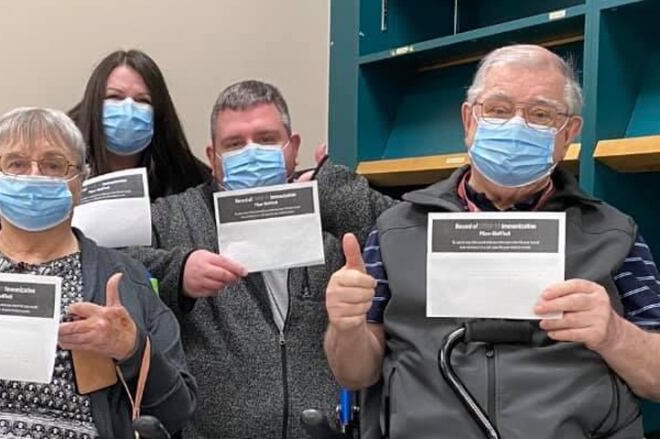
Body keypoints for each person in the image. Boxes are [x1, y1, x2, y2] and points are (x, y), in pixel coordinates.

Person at [324, 44, 660, 438]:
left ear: (568, 133)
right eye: (499, 110)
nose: (516, 126)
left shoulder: (614, 234)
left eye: (540, 115)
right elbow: (355, 372)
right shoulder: (396, 229)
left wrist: (614, 334)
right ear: (470, 121)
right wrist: (346, 326)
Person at [0, 107, 197, 438]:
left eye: (53, 165)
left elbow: (176, 411)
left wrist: (130, 349)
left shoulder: (121, 278)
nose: (34, 176)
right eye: (16, 164)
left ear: (80, 180)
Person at [129, 80, 342, 438]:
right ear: (213, 158)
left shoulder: (329, 218)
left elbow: (398, 236)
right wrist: (177, 271)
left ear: (293, 148)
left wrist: (339, 188)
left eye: (267, 139)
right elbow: (104, 261)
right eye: (235, 145)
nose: (252, 152)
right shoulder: (175, 216)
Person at [0, 49, 209, 222]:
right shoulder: (54, 162)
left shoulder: (186, 174)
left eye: (142, 101)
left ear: (159, 112)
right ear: (93, 104)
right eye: (115, 97)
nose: (128, 109)